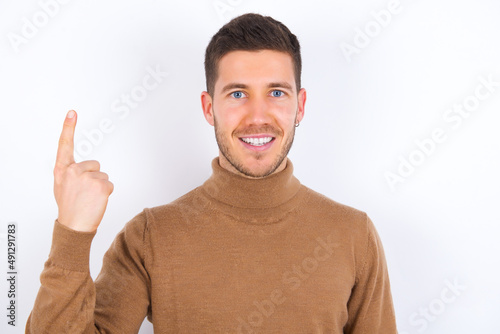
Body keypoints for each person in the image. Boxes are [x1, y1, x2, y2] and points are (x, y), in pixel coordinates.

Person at [26, 13, 397, 333]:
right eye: (237, 94)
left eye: (276, 93)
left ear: (300, 106)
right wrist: (72, 236)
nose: (257, 116)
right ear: (209, 108)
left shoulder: (353, 235)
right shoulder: (150, 237)